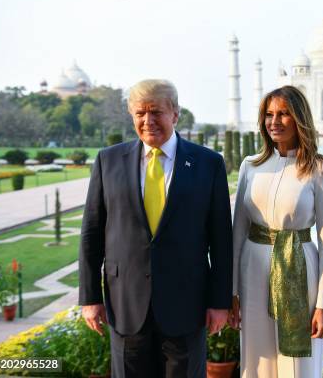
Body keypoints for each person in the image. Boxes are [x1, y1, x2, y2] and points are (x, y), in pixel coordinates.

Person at [79, 79, 232, 378]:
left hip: (186, 306)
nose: (148, 120)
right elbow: (91, 234)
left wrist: (219, 302)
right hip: (126, 305)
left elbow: (221, 239)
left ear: (175, 114)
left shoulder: (207, 163)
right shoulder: (108, 161)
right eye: (140, 113)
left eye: (156, 112)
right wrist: (89, 297)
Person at [228, 85, 323, 377]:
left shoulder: (318, 168)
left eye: (284, 114)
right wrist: (233, 292)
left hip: (299, 268)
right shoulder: (251, 166)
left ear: (299, 118)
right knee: (257, 357)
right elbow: (238, 232)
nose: (274, 121)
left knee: (298, 363)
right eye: (269, 114)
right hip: (254, 269)